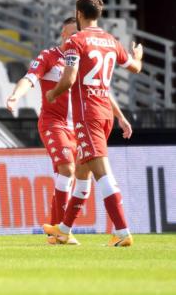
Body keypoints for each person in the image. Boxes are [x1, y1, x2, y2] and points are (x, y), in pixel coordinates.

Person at [7, 17, 133, 245]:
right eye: (69, 34)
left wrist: (121, 117)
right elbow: (29, 78)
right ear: (62, 35)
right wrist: (16, 95)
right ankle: (61, 229)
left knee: (82, 177)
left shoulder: (81, 57)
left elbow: (102, 90)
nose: (73, 37)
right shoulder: (49, 57)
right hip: (54, 122)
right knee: (67, 168)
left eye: (77, 32)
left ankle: (62, 230)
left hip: (81, 125)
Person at [43, 0, 143, 247]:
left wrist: (52, 93)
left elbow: (68, 79)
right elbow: (134, 67)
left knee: (102, 174)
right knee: (83, 172)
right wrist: (138, 56)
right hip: (105, 114)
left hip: (87, 116)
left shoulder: (76, 41)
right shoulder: (111, 41)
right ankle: (64, 230)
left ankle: (122, 232)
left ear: (78, 13)